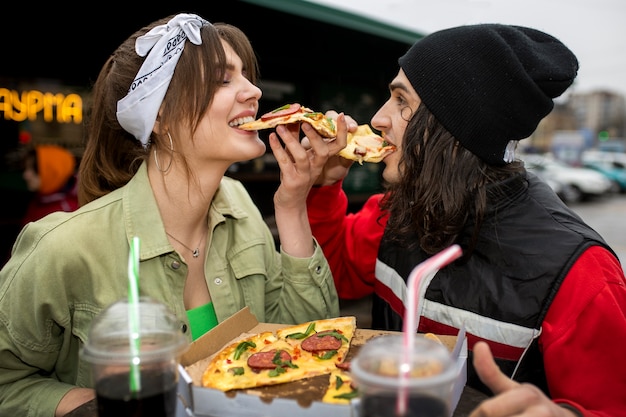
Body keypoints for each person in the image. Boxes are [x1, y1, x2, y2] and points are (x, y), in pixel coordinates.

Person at [0, 13, 346, 417]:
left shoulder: (242, 209)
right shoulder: (63, 248)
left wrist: (292, 206)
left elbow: (307, 349)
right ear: (159, 116)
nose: (253, 90)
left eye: (247, 76)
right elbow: (8, 381)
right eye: (223, 79)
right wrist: (89, 405)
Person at [306, 24, 626, 416]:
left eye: (401, 101)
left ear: (455, 128)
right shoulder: (397, 208)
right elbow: (338, 272)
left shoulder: (582, 275)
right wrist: (324, 189)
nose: (377, 119)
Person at [21, 144, 79, 225]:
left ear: (52, 172)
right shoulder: (41, 199)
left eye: (34, 169)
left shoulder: (66, 212)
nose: (26, 175)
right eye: (26, 168)